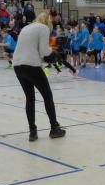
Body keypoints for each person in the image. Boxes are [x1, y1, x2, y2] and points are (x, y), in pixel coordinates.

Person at [11, 12, 66, 141]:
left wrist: (48, 56)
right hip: (31, 65)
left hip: (17, 65)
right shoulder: (43, 28)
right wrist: (55, 54)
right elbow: (44, 51)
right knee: (47, 96)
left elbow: (34, 50)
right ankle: (54, 128)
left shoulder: (26, 28)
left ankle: (32, 132)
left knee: (30, 98)